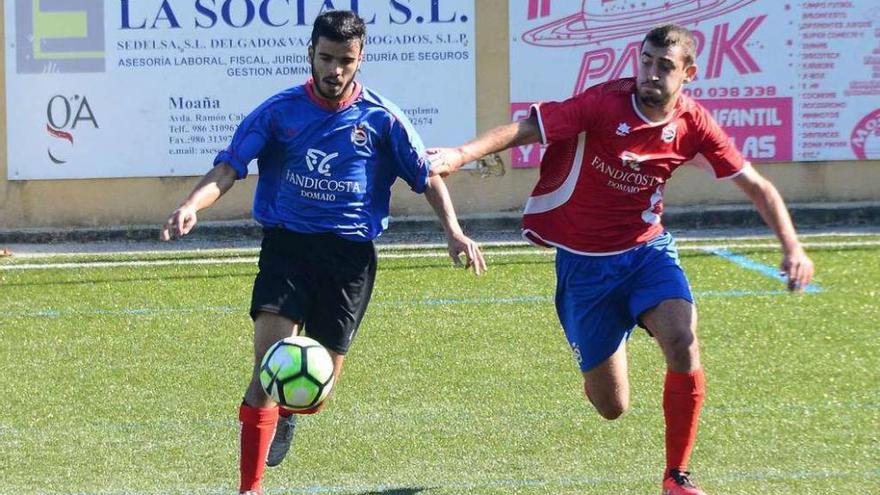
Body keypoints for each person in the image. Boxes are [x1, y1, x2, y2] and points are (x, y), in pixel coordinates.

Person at [428, 24, 814, 495]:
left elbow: (757, 186)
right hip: (585, 268)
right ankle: (608, 348)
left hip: (646, 252)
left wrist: (792, 247)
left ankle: (676, 475)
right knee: (612, 407)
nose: (651, 73)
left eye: (665, 66)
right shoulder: (603, 104)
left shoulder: (694, 125)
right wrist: (461, 153)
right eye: (646, 61)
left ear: (688, 73)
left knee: (683, 340)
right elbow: (529, 127)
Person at [160, 10, 486, 495]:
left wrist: (454, 231)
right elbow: (229, 168)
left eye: (345, 61)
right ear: (310, 53)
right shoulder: (279, 112)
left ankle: (291, 413)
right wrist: (192, 204)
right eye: (326, 57)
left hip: (349, 259)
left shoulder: (381, 118)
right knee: (270, 369)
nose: (334, 70)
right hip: (287, 248)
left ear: (361, 59)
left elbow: (427, 175)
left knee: (315, 395)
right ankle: (249, 488)